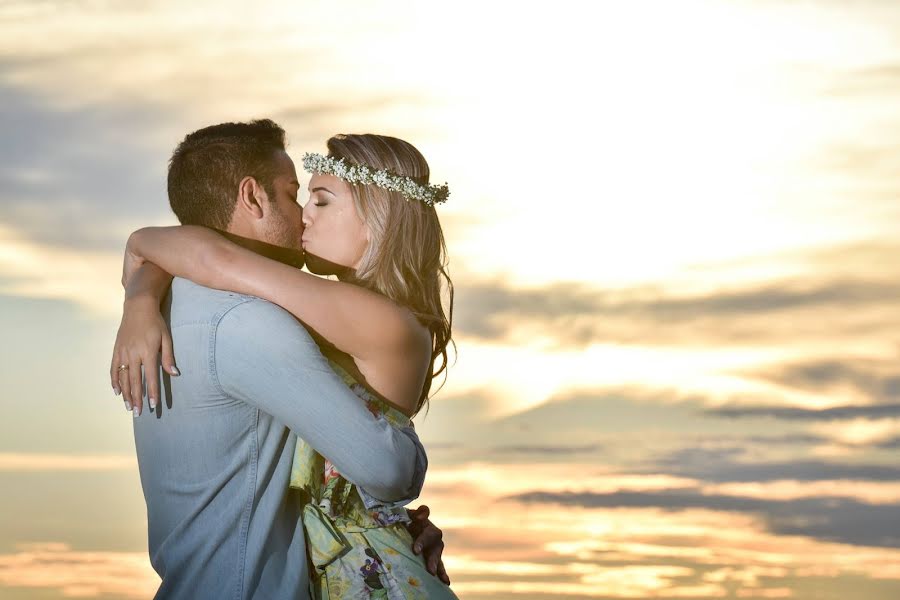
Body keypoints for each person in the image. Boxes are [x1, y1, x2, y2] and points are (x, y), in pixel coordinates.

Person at [113, 123, 457, 598]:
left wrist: (140, 270)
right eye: (299, 195)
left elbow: (218, 261)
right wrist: (142, 290)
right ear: (252, 198)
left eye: (321, 200)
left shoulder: (374, 318)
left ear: (378, 219)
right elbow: (212, 262)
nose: (305, 217)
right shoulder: (261, 317)